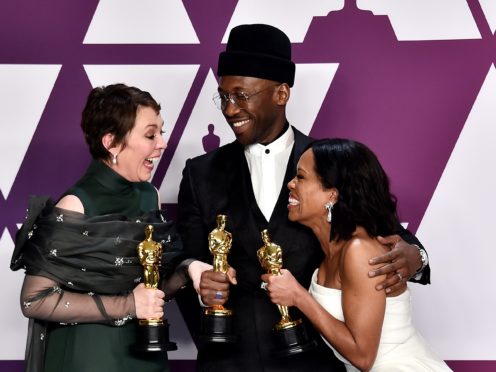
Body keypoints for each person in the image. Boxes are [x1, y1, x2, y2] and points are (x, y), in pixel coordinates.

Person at [176, 24, 430, 371]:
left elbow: (389, 238)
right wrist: (196, 271)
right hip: (227, 361)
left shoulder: (327, 162)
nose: (229, 110)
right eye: (223, 96)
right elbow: (184, 254)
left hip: (314, 361)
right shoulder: (199, 172)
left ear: (281, 94)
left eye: (241, 95)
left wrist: (416, 257)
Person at [10, 84, 209, 372]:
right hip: (88, 357)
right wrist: (129, 305)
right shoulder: (75, 204)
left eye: (161, 132)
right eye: (151, 135)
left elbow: (150, 289)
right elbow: (34, 300)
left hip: (145, 352)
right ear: (111, 143)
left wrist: (189, 270)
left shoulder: (148, 194)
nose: (163, 143)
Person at [262, 138, 451, 371]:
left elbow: (363, 357)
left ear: (332, 194)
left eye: (300, 177)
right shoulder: (333, 249)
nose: (290, 184)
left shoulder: (359, 250)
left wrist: (299, 297)